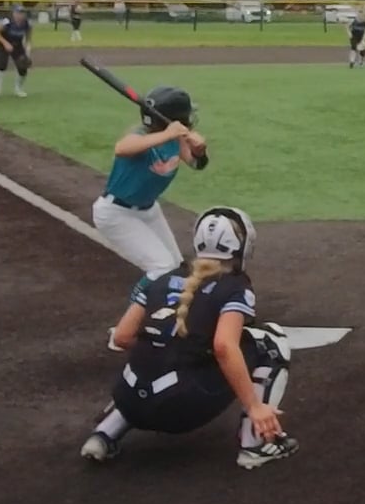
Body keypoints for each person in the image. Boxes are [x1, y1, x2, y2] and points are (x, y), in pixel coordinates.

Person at [80, 207, 297, 470]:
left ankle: (105, 433)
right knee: (270, 342)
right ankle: (256, 444)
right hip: (180, 410)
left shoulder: (161, 279)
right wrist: (254, 406)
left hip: (127, 400)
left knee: (153, 359)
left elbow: (122, 337)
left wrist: (170, 347)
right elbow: (224, 346)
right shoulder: (234, 287)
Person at [90, 86, 209, 286]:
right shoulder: (139, 135)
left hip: (149, 210)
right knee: (162, 267)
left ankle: (168, 302)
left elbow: (197, 164)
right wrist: (167, 134)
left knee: (176, 267)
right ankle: (138, 305)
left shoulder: (178, 139)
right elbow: (122, 148)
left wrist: (199, 151)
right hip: (116, 213)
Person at [0, 5, 32, 99]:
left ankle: (18, 89)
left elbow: (28, 38)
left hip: (17, 45)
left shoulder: (27, 23)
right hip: (2, 45)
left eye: (22, 13)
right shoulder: (7, 22)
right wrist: (5, 43)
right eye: (18, 13)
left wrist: (28, 50)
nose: (20, 15)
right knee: (2, 64)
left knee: (23, 67)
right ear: (13, 13)